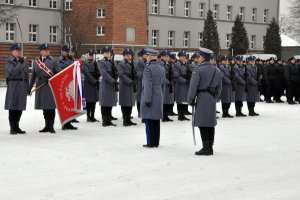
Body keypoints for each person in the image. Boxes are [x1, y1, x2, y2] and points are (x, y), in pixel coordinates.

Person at [187, 48, 222, 156]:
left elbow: (193, 87)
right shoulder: (217, 70)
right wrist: (214, 97)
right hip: (211, 98)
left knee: (202, 123)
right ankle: (210, 146)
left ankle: (206, 147)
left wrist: (190, 99)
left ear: (202, 57)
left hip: (202, 98)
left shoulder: (198, 70)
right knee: (210, 123)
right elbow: (220, 88)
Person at [28, 44, 62, 133]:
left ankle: (51, 126)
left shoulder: (54, 61)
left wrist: (52, 79)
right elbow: (33, 76)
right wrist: (29, 88)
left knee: (50, 107)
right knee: (44, 107)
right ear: (41, 51)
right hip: (40, 86)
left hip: (50, 86)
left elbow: (59, 74)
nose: (47, 51)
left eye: (48, 49)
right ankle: (46, 126)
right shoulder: (36, 62)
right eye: (45, 50)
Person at [140, 48, 165, 148]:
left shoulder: (148, 69)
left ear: (149, 57)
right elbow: (163, 85)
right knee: (156, 121)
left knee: (149, 121)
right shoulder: (162, 68)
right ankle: (156, 142)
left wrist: (147, 99)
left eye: (147, 56)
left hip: (150, 96)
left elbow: (147, 86)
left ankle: (150, 142)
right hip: (159, 95)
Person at [4, 44, 28, 135]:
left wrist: (28, 87)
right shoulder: (9, 61)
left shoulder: (23, 61)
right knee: (13, 107)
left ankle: (17, 126)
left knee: (20, 107)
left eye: (19, 50)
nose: (19, 52)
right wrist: (20, 63)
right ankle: (12, 127)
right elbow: (13, 72)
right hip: (13, 85)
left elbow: (26, 75)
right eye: (17, 50)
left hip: (22, 86)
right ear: (12, 52)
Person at [56, 45, 78, 130]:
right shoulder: (58, 61)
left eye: (68, 51)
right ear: (62, 51)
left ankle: (69, 122)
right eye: (66, 51)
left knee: (71, 103)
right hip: (63, 85)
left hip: (71, 84)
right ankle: (65, 123)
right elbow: (60, 71)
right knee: (64, 104)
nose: (67, 52)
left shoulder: (72, 60)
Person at [98, 46, 118, 126]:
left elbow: (116, 71)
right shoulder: (101, 62)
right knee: (104, 103)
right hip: (106, 85)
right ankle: (104, 120)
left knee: (110, 103)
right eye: (106, 52)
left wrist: (116, 77)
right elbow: (104, 74)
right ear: (103, 53)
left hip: (112, 85)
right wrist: (113, 80)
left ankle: (109, 120)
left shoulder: (113, 62)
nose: (108, 54)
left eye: (109, 52)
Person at [117, 48, 137, 126]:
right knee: (125, 103)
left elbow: (135, 73)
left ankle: (129, 119)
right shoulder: (121, 64)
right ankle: (125, 120)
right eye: (127, 55)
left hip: (132, 86)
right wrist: (130, 81)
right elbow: (121, 74)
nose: (129, 56)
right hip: (125, 86)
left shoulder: (133, 64)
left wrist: (135, 79)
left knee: (130, 103)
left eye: (130, 55)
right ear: (124, 56)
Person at [82, 50, 100, 122]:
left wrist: (98, 75)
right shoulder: (85, 63)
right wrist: (94, 81)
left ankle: (92, 116)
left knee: (94, 101)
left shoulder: (94, 63)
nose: (91, 56)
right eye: (90, 55)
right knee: (89, 101)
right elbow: (87, 74)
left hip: (94, 84)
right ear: (87, 55)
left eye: (92, 55)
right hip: (89, 84)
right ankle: (88, 116)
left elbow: (97, 72)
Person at [174, 51, 191, 121]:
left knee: (184, 99)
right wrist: (185, 81)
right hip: (180, 85)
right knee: (180, 100)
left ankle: (183, 114)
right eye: (183, 57)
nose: (184, 58)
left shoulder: (186, 64)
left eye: (185, 57)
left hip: (186, 85)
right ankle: (180, 115)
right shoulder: (177, 65)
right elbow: (176, 76)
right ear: (180, 57)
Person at [160, 50, 174, 122]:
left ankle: (166, 115)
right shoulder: (161, 64)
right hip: (164, 85)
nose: (167, 57)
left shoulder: (169, 64)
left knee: (168, 101)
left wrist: (171, 80)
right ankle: (163, 116)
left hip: (169, 85)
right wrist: (167, 82)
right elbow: (162, 76)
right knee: (164, 101)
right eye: (165, 56)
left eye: (168, 56)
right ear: (162, 57)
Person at [136, 49, 147, 118]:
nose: (146, 55)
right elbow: (139, 74)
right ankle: (140, 112)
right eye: (145, 54)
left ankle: (144, 112)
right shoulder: (139, 63)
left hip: (146, 82)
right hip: (140, 83)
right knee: (140, 97)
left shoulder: (147, 62)